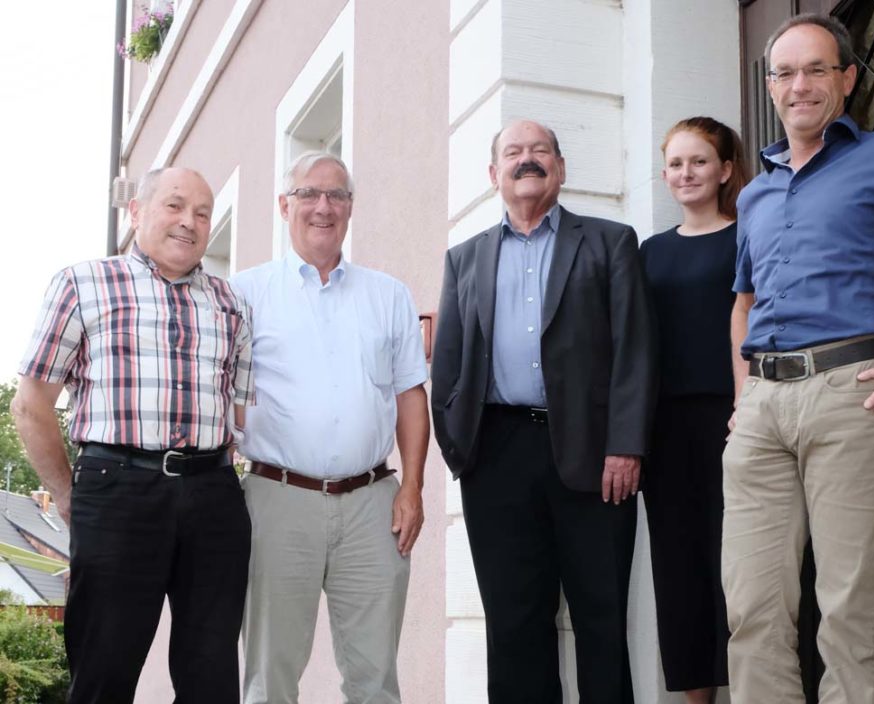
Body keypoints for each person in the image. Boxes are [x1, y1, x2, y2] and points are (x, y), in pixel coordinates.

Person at [722, 14, 874, 704]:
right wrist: (743, 396)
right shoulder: (755, 193)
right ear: (770, 86)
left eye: (816, 70)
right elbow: (743, 304)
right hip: (762, 408)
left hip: (852, 392)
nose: (799, 85)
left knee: (848, 607)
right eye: (785, 72)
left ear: (849, 79)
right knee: (751, 607)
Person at [431, 119, 656, 703]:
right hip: (496, 456)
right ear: (494, 173)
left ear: (560, 167)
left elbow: (635, 350)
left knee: (602, 621)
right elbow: (449, 364)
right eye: (513, 152)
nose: (526, 159)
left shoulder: (609, 242)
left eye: (539, 150)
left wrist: (625, 444)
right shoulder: (464, 259)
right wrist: (462, 452)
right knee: (513, 626)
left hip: (596, 456)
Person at [12, 167, 255, 704]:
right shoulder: (83, 283)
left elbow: (240, 415)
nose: (189, 221)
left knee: (212, 677)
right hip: (117, 489)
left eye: (203, 213)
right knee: (104, 671)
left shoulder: (233, 303)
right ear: (137, 211)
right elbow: (30, 406)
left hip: (214, 495)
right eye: (175, 205)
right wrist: (69, 495)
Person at [231, 151, 429, 704]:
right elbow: (219, 393)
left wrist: (413, 487)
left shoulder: (388, 295)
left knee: (375, 679)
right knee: (269, 676)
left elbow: (411, 396)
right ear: (283, 205)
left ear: (350, 207)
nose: (324, 206)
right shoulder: (244, 294)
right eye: (309, 194)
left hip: (373, 504)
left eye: (337, 195)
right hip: (276, 498)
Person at [640, 116, 749, 704]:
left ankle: (755, 688)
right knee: (678, 567)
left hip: (736, 420)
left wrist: (745, 404)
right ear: (665, 175)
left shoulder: (747, 237)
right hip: (666, 431)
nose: (687, 173)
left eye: (700, 161)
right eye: (677, 164)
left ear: (725, 170)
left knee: (739, 560)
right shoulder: (650, 252)